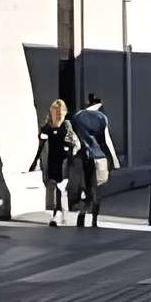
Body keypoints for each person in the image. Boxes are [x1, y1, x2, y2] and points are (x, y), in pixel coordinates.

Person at [68, 92, 121, 228]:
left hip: (81, 157)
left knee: (84, 189)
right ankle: (94, 220)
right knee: (97, 190)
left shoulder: (77, 117)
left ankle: (81, 215)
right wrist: (114, 160)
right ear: (99, 104)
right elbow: (107, 141)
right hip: (99, 157)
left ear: (87, 102)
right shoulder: (102, 118)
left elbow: (73, 138)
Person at [28, 99, 80, 226]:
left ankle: (59, 212)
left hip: (64, 159)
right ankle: (59, 212)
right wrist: (35, 161)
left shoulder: (66, 124)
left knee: (60, 186)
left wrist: (69, 152)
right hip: (53, 159)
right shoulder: (49, 125)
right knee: (54, 184)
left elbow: (71, 141)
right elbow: (41, 142)